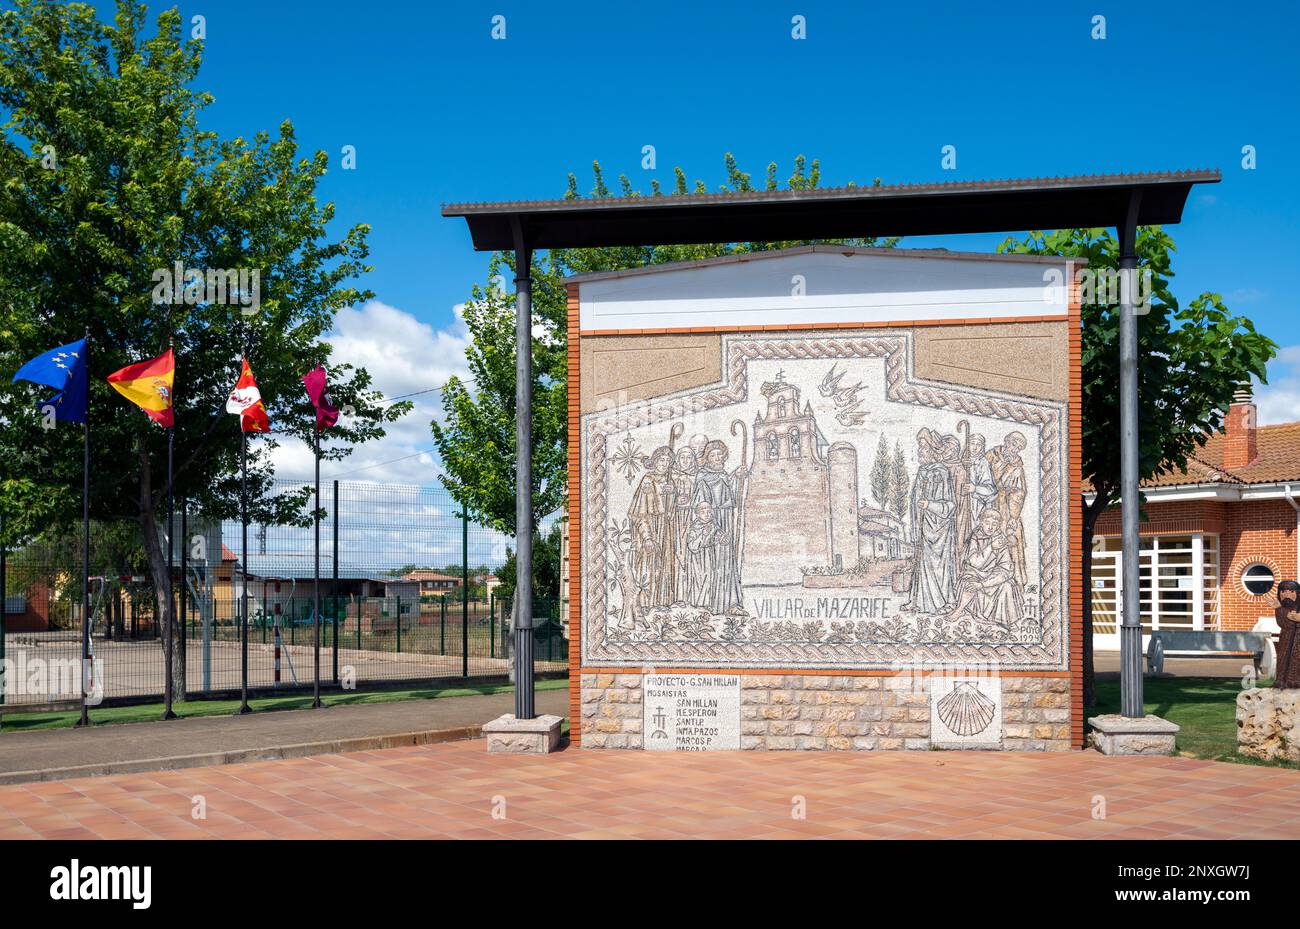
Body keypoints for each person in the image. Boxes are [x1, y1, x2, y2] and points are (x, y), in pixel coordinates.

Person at [906, 429, 959, 613]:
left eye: (923, 447)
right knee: (920, 563)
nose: (919, 451)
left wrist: (929, 505)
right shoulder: (922, 471)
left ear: (933, 450)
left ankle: (940, 602)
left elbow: (950, 505)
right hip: (923, 526)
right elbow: (914, 501)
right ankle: (918, 601)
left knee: (937, 566)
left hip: (939, 531)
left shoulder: (941, 472)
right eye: (919, 447)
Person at [945, 509, 1023, 629]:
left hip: (992, 576)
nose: (990, 528)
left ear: (998, 526)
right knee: (969, 582)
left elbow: (1006, 568)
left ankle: (1006, 620)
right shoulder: (975, 537)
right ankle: (959, 610)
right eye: (987, 523)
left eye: (994, 524)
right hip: (975, 572)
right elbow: (975, 562)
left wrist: (984, 583)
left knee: (1007, 586)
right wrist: (991, 548)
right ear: (981, 522)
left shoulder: (1000, 539)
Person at [690, 439, 743, 612]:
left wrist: (737, 476)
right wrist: (713, 528)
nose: (717, 457)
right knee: (717, 561)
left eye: (720, 454)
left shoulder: (723, 474)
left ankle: (732, 603)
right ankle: (718, 605)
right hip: (713, 520)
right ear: (707, 457)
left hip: (726, 518)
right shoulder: (702, 476)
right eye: (713, 455)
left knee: (728, 560)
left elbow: (730, 496)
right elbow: (701, 505)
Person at [628, 446, 675, 610]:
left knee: (664, 564)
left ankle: (661, 601)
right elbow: (640, 513)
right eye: (662, 459)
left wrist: (673, 494)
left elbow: (672, 510)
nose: (665, 463)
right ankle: (646, 602)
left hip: (665, 528)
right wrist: (647, 536)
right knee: (649, 565)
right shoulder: (648, 481)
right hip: (651, 527)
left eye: (668, 461)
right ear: (655, 461)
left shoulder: (669, 481)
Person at [1274, 579, 1300, 689]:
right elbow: (1282, 622)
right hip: (1285, 637)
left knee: (1296, 658)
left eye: (1291, 591)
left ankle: (1295, 680)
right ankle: (1281, 679)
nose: (1286, 595)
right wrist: (1280, 609)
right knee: (1282, 657)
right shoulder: (1280, 608)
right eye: (1283, 592)